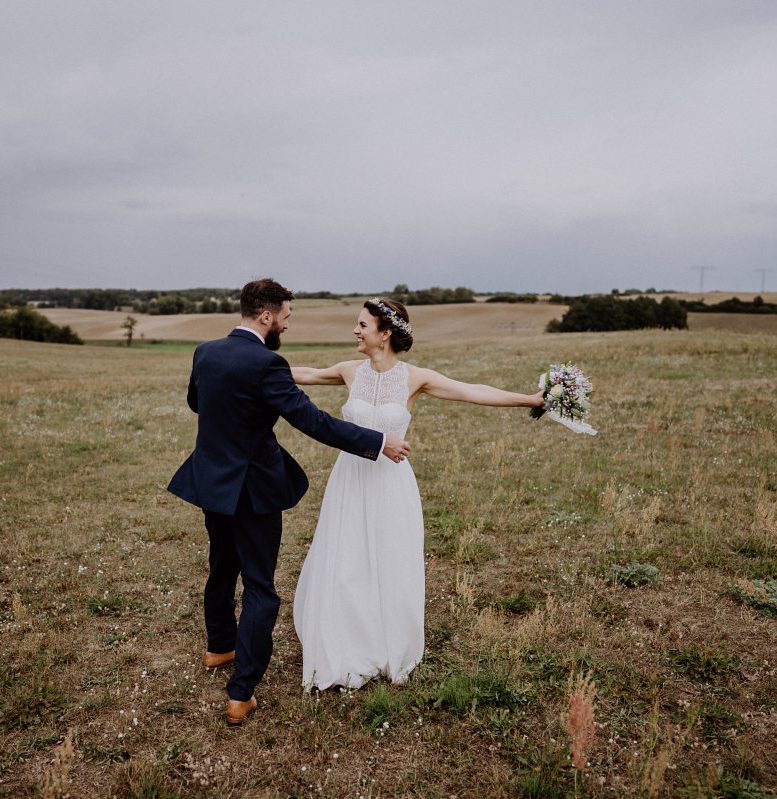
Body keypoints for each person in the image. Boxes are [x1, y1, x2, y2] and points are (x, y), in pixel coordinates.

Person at [167, 280, 412, 726]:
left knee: (221, 566)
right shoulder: (268, 363)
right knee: (260, 587)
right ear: (267, 317)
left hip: (210, 482)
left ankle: (219, 646)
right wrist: (377, 442)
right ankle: (241, 693)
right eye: (285, 316)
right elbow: (313, 422)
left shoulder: (206, 351)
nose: (286, 323)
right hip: (253, 490)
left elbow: (197, 403)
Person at [289, 298, 544, 690]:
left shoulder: (415, 378)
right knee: (346, 558)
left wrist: (529, 399)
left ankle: (387, 639)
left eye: (362, 325)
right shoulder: (347, 371)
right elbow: (303, 373)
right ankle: (345, 640)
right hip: (350, 479)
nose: (355, 332)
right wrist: (251, 360)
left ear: (385, 333)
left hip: (391, 483)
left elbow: (472, 391)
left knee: (389, 559)